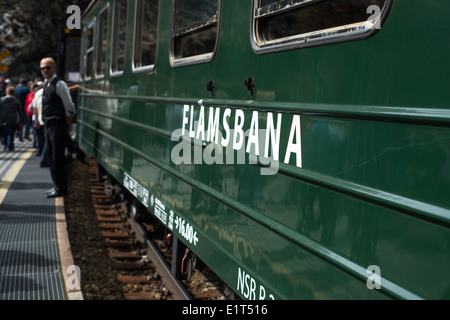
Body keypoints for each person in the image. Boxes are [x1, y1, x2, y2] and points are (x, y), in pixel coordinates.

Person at [40, 57, 76, 198]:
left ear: (54, 68)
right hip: (48, 126)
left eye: (48, 67)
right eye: (43, 68)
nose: (45, 70)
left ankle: (61, 188)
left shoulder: (59, 84)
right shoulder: (46, 84)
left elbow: (70, 107)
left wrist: (66, 124)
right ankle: (56, 185)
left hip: (57, 125)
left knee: (57, 158)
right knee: (50, 157)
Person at [0, 85, 25, 151]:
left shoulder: (1, 100)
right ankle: (10, 146)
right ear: (14, 92)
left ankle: (4, 144)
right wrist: (22, 120)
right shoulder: (16, 100)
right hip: (13, 119)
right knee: (11, 132)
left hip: (3, 119)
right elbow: (20, 111)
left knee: (3, 131)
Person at [31, 81, 47, 165]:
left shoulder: (37, 95)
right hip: (44, 120)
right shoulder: (43, 93)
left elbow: (33, 108)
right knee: (45, 139)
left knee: (40, 137)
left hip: (39, 119)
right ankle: (44, 158)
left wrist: (36, 120)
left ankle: (41, 153)